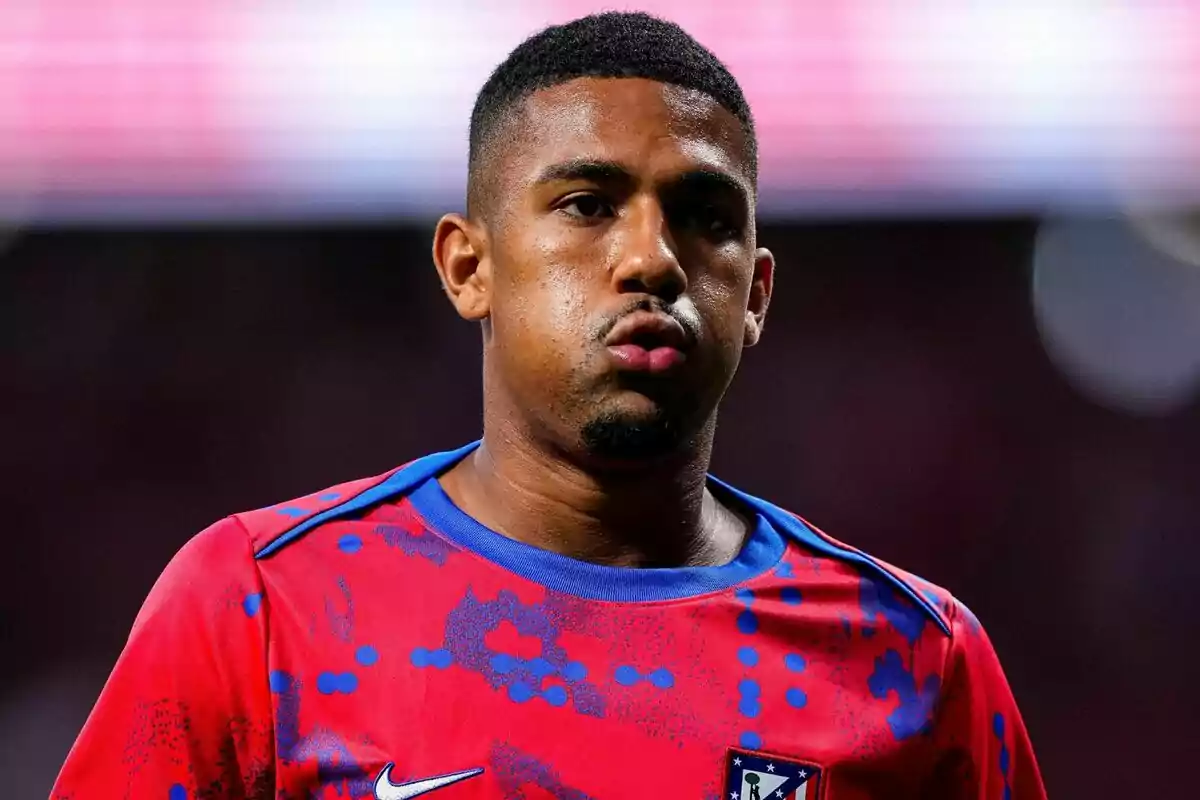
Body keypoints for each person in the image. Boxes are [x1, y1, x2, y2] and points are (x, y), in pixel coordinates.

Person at [53, 12, 1046, 800]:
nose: (652, 257)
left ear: (755, 294)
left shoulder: (916, 659)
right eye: (588, 203)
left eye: (705, 217)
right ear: (468, 264)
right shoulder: (259, 609)